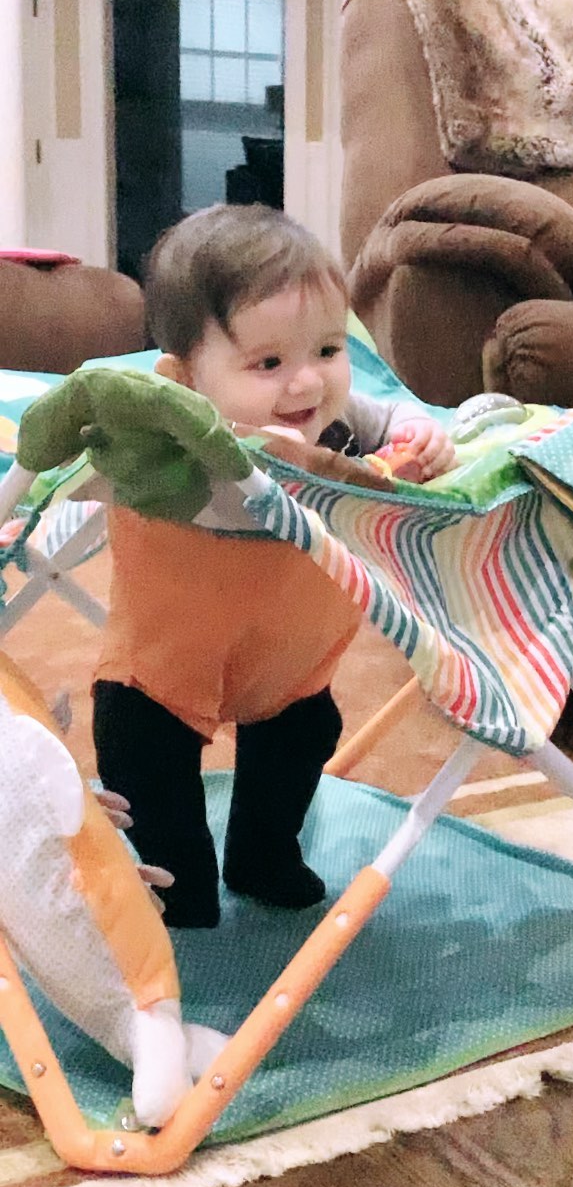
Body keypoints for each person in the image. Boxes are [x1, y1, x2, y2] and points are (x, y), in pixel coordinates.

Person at [93, 203, 456, 928]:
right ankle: (180, 883)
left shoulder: (338, 423)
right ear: (182, 381)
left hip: (289, 666)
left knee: (301, 739)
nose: (307, 384)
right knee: (144, 766)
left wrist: (422, 433)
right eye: (269, 364)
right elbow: (72, 462)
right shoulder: (154, 443)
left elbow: (395, 418)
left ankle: (262, 853)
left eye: (327, 349)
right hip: (163, 668)